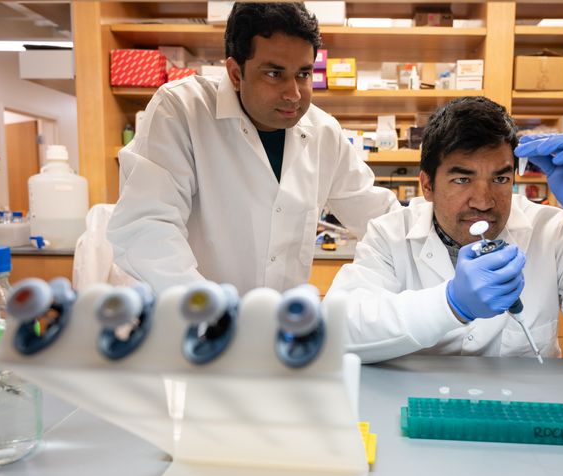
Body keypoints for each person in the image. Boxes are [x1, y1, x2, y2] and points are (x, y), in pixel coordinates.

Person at [326, 96, 563, 363]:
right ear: (427, 185)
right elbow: (338, 331)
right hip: (418, 416)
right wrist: (449, 305)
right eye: (462, 178)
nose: (483, 200)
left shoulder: (552, 232)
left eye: (500, 178)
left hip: (524, 422)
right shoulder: (390, 235)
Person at [107, 2, 398, 293]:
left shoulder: (323, 132)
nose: (293, 93)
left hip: (282, 323)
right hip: (196, 324)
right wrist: (207, 308)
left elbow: (377, 215)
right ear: (235, 73)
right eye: (274, 74)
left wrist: (435, 232)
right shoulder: (182, 110)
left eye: (303, 74)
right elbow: (147, 226)